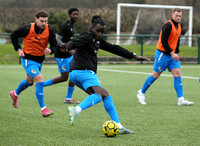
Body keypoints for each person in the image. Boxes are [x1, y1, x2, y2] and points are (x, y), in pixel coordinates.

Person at [63, 15, 150, 134]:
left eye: (102, 32)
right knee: (98, 96)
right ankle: (75, 110)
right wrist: (67, 46)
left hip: (75, 74)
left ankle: (118, 126)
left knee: (105, 95)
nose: (99, 34)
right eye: (98, 31)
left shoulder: (97, 40)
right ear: (92, 27)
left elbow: (113, 48)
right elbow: (75, 42)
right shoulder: (87, 36)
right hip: (84, 71)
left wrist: (133, 56)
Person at [137, 8, 194, 106]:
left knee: (177, 74)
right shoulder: (168, 25)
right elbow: (163, 41)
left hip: (172, 55)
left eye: (180, 16)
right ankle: (141, 93)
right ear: (172, 15)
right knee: (156, 75)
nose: (178, 17)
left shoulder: (179, 26)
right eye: (176, 15)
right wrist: (172, 53)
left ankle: (181, 99)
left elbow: (177, 40)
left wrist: (177, 52)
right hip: (163, 54)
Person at [10, 10, 58, 117]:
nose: (44, 23)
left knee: (29, 81)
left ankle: (15, 93)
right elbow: (13, 35)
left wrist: (50, 50)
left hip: (39, 61)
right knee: (40, 80)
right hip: (27, 59)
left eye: (46, 21)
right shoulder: (27, 28)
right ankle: (44, 109)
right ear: (36, 20)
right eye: (41, 21)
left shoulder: (49, 30)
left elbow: (55, 46)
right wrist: (18, 49)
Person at [42, 8, 80, 104]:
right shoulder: (65, 25)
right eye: (74, 14)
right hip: (62, 55)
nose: (76, 16)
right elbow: (58, 38)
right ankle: (41, 84)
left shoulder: (71, 26)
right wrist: (65, 48)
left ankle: (68, 98)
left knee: (73, 75)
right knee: (64, 78)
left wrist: (71, 49)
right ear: (69, 15)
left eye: (77, 14)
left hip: (68, 55)